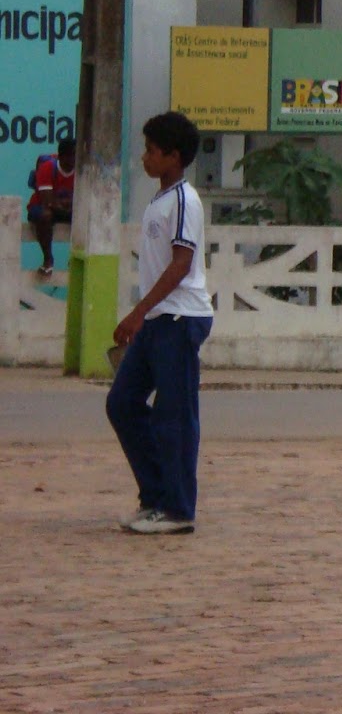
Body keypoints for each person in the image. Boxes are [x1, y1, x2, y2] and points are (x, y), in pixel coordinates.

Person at [106, 111, 213, 535]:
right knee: (122, 403)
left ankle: (178, 509)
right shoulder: (159, 200)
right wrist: (144, 314)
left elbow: (181, 265)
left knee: (175, 416)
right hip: (157, 317)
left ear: (174, 156)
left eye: (152, 150)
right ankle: (155, 496)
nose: (145, 157)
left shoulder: (186, 200)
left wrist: (137, 312)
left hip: (180, 316)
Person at [26, 136, 75, 277]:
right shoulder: (47, 167)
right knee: (45, 215)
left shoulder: (82, 170)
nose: (77, 159)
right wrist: (68, 204)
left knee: (86, 216)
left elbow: (84, 200)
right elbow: (47, 202)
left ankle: (75, 259)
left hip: (66, 209)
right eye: (74, 155)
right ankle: (48, 259)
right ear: (63, 157)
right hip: (39, 207)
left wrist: (66, 205)